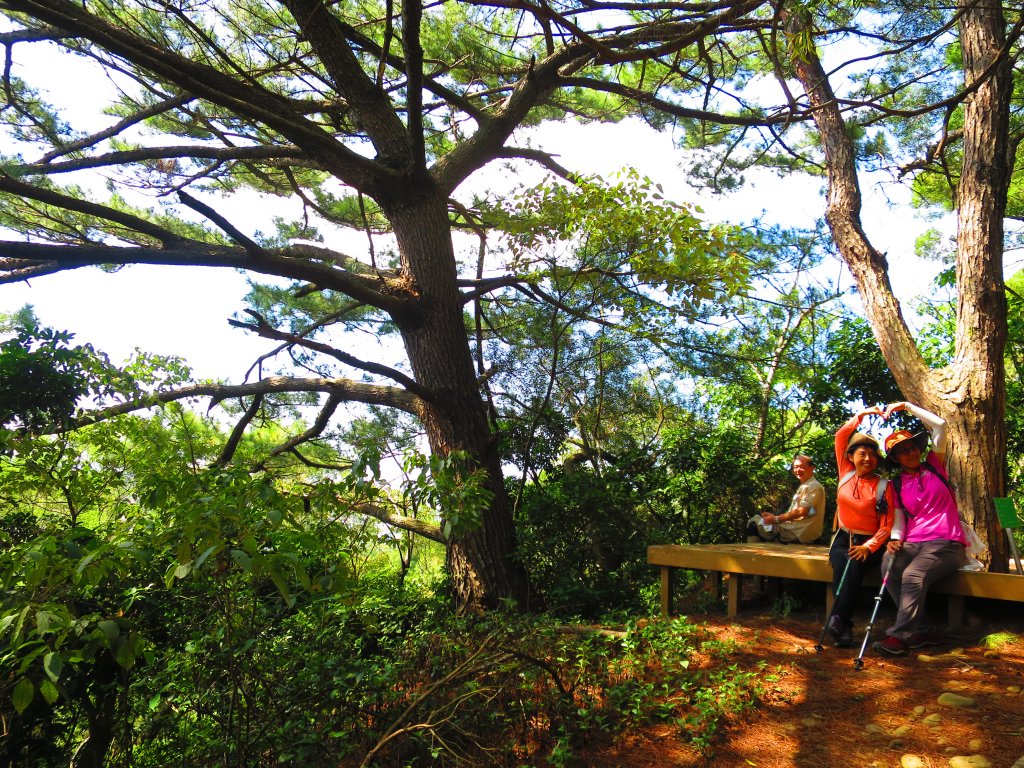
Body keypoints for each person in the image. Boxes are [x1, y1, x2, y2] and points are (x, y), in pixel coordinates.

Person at [872, 401, 968, 657]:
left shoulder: (935, 466)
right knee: (888, 565)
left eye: (913, 447)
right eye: (903, 451)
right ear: (895, 458)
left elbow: (941, 425)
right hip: (913, 542)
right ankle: (922, 627)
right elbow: (900, 519)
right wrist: (893, 539)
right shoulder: (897, 484)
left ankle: (900, 635)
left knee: (913, 575)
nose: (911, 453)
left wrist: (906, 406)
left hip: (946, 543)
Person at [827, 406, 895, 647]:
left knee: (853, 565)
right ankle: (843, 625)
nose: (868, 458)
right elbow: (840, 436)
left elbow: (887, 525)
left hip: (869, 542)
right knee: (840, 565)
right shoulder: (845, 473)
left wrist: (869, 546)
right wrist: (863, 415)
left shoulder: (884, 486)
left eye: (872, 455)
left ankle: (838, 620)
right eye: (862, 453)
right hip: (843, 537)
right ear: (850, 456)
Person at [747, 455, 825, 544]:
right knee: (763, 522)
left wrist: (777, 519)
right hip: (797, 529)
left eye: (802, 467)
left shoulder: (813, 486)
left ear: (812, 468)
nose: (798, 470)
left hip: (798, 532)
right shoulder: (806, 486)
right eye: (796, 467)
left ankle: (751, 555)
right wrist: (774, 518)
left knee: (754, 523)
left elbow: (803, 511)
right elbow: (809, 513)